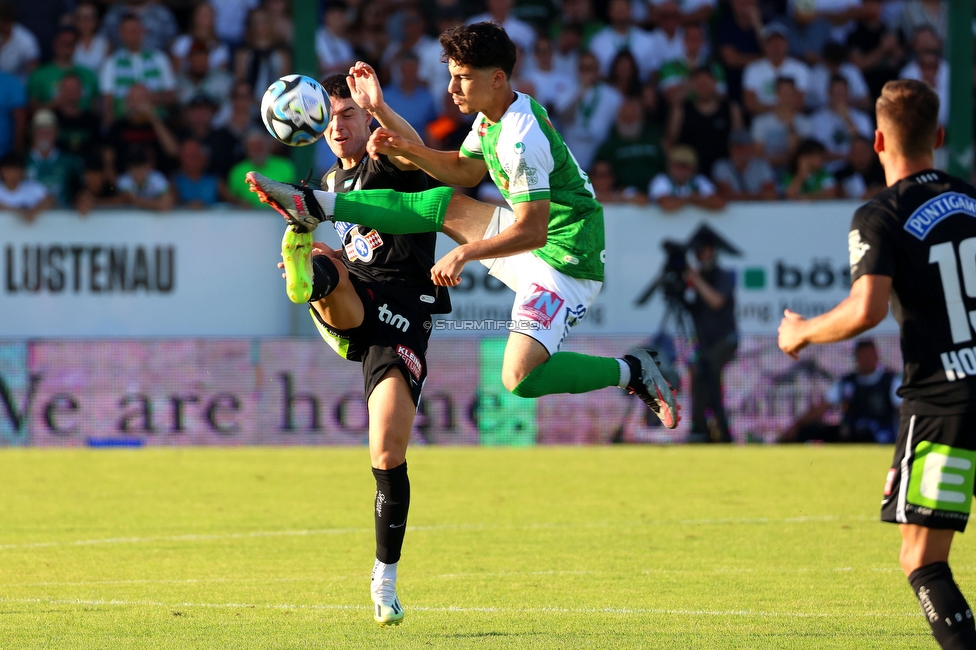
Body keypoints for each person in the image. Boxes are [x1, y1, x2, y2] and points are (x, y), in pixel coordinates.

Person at [247, 26, 680, 433]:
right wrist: (409, 150)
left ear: (495, 79)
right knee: (443, 204)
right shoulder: (494, 116)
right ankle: (316, 205)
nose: (452, 88)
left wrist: (463, 254)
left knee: (519, 378)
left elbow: (534, 232)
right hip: (541, 236)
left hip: (565, 260)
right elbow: (464, 170)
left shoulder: (519, 138)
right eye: (452, 76)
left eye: (462, 78)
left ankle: (632, 370)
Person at [777, 79, 976, 650]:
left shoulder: (881, 214)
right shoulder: (971, 202)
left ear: (878, 141)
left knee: (921, 558)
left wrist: (803, 332)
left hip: (944, 401)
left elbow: (866, 310)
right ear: (937, 136)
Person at [271, 65, 446, 628]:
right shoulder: (328, 185)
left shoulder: (386, 154)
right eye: (333, 118)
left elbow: (421, 155)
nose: (340, 126)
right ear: (319, 127)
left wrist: (382, 108)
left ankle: (384, 578)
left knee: (387, 456)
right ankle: (310, 275)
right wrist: (330, 261)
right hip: (356, 305)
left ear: (363, 116)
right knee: (327, 262)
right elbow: (356, 253)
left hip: (404, 316)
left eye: (349, 114)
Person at [782, 338, 902, 444]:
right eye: (862, 356)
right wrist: (796, 426)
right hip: (849, 432)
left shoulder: (891, 381)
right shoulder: (846, 382)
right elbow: (819, 409)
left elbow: (903, 412)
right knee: (808, 431)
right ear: (856, 358)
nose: (866, 360)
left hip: (879, 435)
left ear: (876, 356)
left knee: (860, 432)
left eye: (869, 356)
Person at [683, 229, 737, 443]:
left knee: (710, 379)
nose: (700, 256)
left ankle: (721, 433)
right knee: (699, 378)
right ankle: (700, 430)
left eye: (704, 251)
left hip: (723, 341)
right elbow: (692, 308)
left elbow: (716, 301)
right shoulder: (699, 279)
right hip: (704, 344)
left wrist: (695, 279)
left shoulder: (720, 276)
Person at [649, 145, 726, 212]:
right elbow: (667, 205)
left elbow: (719, 204)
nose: (680, 170)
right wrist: (690, 199)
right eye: (677, 165)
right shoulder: (661, 180)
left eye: (685, 167)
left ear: (693, 169)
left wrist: (694, 200)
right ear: (669, 166)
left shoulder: (699, 180)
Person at [711, 129, 777, 201]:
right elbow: (725, 195)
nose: (741, 153)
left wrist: (739, 196)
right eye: (737, 148)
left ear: (751, 149)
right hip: (732, 210)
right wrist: (758, 196)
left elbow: (770, 194)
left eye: (745, 148)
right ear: (730, 149)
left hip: (758, 210)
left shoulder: (762, 166)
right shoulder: (721, 167)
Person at [0, 151, 53, 222]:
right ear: (2, 171)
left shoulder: (32, 187)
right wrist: (20, 212)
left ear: (23, 171)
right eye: (8, 171)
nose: (12, 174)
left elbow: (50, 200)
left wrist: (34, 211)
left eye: (16, 170)